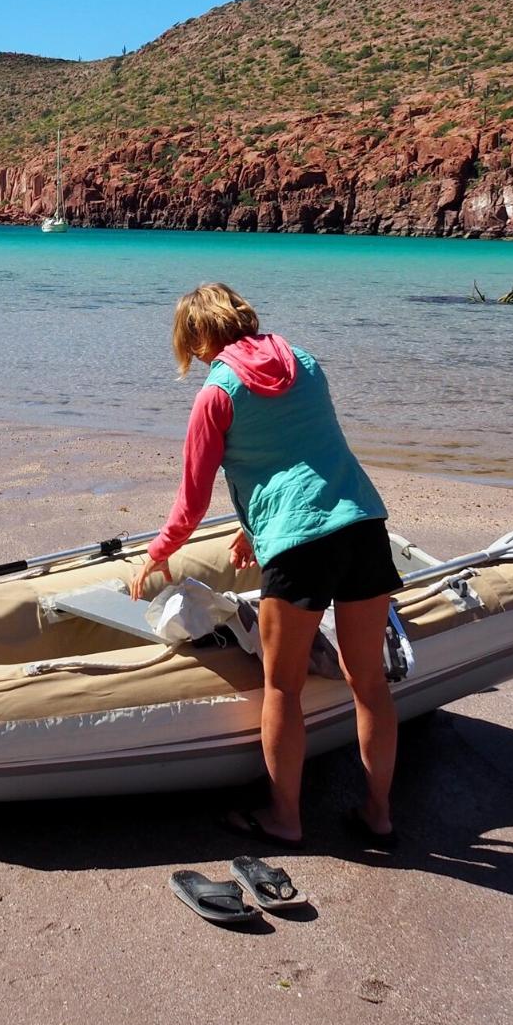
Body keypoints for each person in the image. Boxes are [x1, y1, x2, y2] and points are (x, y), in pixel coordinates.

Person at [131, 283, 399, 849]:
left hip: (302, 549)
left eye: (193, 346)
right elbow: (303, 454)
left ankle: (285, 818)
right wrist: (254, 525)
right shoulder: (306, 362)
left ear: (200, 337)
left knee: (282, 687)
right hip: (363, 525)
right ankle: (378, 814)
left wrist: (155, 555)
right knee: (369, 683)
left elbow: (190, 503)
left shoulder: (216, 393)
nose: (198, 357)